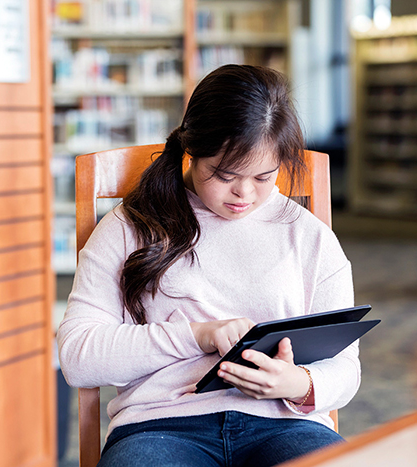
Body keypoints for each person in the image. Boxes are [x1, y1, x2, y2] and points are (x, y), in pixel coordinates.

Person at [58, 64, 359, 467]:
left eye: (264, 177)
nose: (244, 194)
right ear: (191, 151)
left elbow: (345, 367)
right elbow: (78, 357)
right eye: (224, 174)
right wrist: (197, 336)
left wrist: (299, 384)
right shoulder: (129, 227)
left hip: (285, 424)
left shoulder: (309, 236)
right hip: (160, 425)